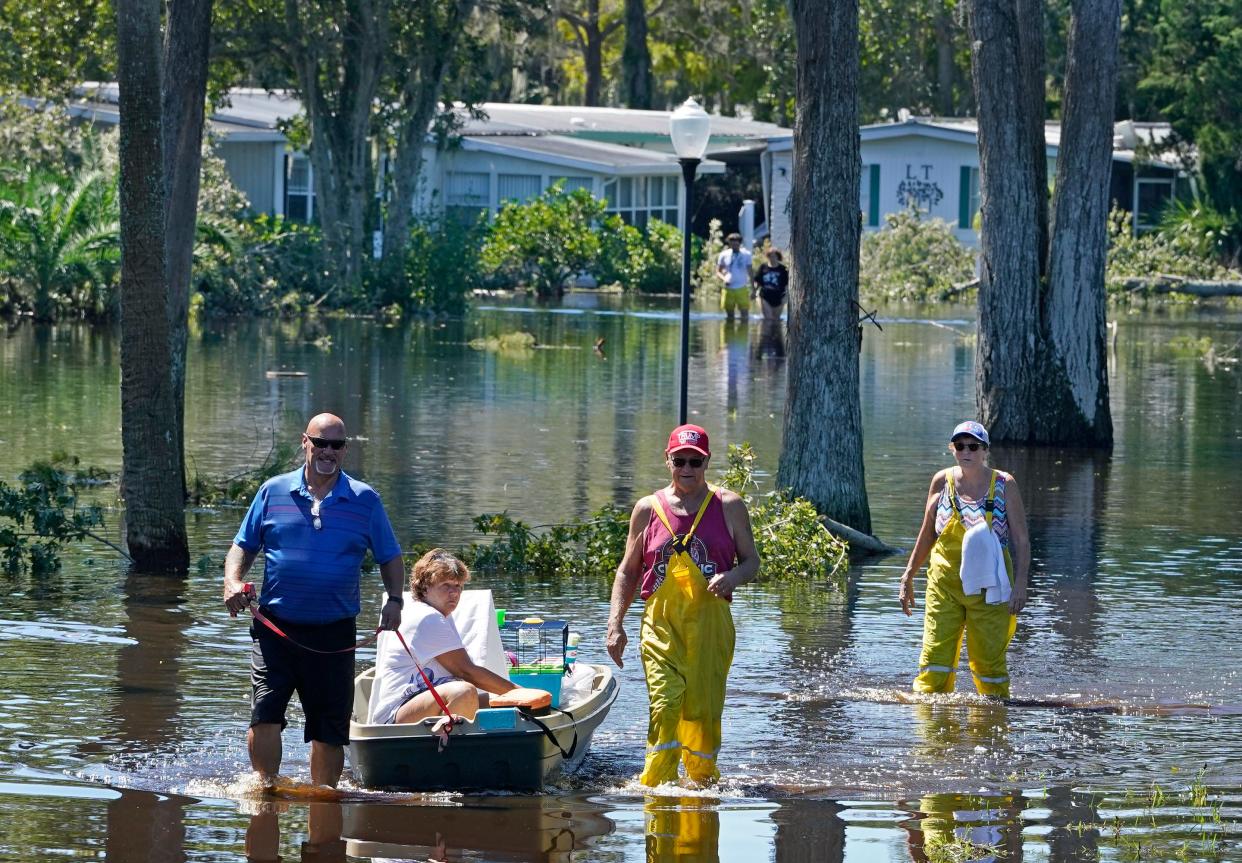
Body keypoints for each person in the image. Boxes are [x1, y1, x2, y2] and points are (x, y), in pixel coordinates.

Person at [222, 413, 406, 788]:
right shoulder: (272, 491)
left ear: (345, 450)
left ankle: (323, 797)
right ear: (304, 442)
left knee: (329, 729)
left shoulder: (365, 500)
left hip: (334, 634)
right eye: (320, 442)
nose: (327, 451)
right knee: (265, 713)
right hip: (275, 627)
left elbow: (390, 556)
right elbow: (243, 545)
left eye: (336, 445)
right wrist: (232, 582)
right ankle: (264, 791)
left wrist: (395, 600)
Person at [606, 424, 760, 786]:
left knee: (701, 714)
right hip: (660, 625)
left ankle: (701, 784)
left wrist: (733, 578)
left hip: (710, 625)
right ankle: (656, 786)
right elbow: (628, 572)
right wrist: (615, 623)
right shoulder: (647, 509)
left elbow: (751, 561)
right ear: (668, 460)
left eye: (695, 461)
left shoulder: (729, 505)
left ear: (706, 462)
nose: (687, 468)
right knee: (666, 703)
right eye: (680, 460)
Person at [899, 421, 1030, 698]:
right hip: (944, 585)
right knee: (935, 659)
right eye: (960, 446)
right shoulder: (941, 482)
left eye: (973, 446)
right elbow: (926, 534)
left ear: (985, 451)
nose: (966, 451)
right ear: (953, 449)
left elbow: (1021, 540)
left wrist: (1020, 583)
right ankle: (930, 723)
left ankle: (992, 720)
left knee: (989, 665)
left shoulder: (1005, 485)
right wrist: (908, 575)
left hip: (990, 588)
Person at [369, 549, 517, 726]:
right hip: (396, 715)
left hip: (422, 702)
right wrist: (519, 692)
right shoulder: (428, 618)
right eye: (446, 585)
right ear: (424, 587)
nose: (454, 593)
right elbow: (466, 671)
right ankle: (449, 748)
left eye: (458, 586)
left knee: (500, 703)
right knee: (464, 692)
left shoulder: (440, 615)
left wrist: (513, 697)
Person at [715, 233, 753, 321]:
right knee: (729, 316)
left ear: (740, 243)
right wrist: (724, 278)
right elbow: (718, 271)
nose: (734, 246)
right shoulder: (724, 254)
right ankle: (729, 332)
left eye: (736, 244)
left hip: (742, 287)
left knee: (744, 315)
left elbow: (750, 271)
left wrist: (753, 288)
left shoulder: (746, 254)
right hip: (728, 288)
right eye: (732, 244)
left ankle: (742, 333)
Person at [751, 248, 789, 320]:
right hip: (765, 296)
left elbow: (786, 284)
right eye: (770, 256)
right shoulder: (763, 267)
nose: (772, 258)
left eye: (774, 256)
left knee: (776, 319)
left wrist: (786, 297)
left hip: (779, 297)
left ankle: (775, 331)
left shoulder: (783, 269)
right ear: (768, 257)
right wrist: (754, 292)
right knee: (768, 318)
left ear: (778, 257)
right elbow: (758, 281)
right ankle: (764, 331)